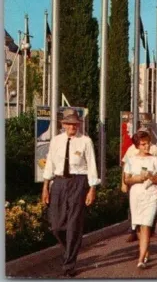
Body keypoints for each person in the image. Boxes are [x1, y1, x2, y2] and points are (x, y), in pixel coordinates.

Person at [41, 109, 99, 277]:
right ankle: (70, 250)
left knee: (74, 224)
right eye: (69, 123)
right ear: (63, 124)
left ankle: (69, 265)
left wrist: (92, 189)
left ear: (79, 124)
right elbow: (50, 163)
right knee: (56, 226)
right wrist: (46, 186)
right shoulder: (56, 141)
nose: (72, 126)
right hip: (58, 183)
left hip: (78, 182)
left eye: (75, 123)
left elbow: (92, 165)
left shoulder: (85, 141)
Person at [123, 130, 157, 269]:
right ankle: (145, 251)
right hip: (136, 194)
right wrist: (137, 178)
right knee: (139, 225)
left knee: (146, 225)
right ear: (137, 146)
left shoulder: (154, 159)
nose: (146, 147)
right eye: (143, 144)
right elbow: (127, 179)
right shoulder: (131, 160)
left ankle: (140, 258)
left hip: (151, 194)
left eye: (148, 143)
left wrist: (152, 177)